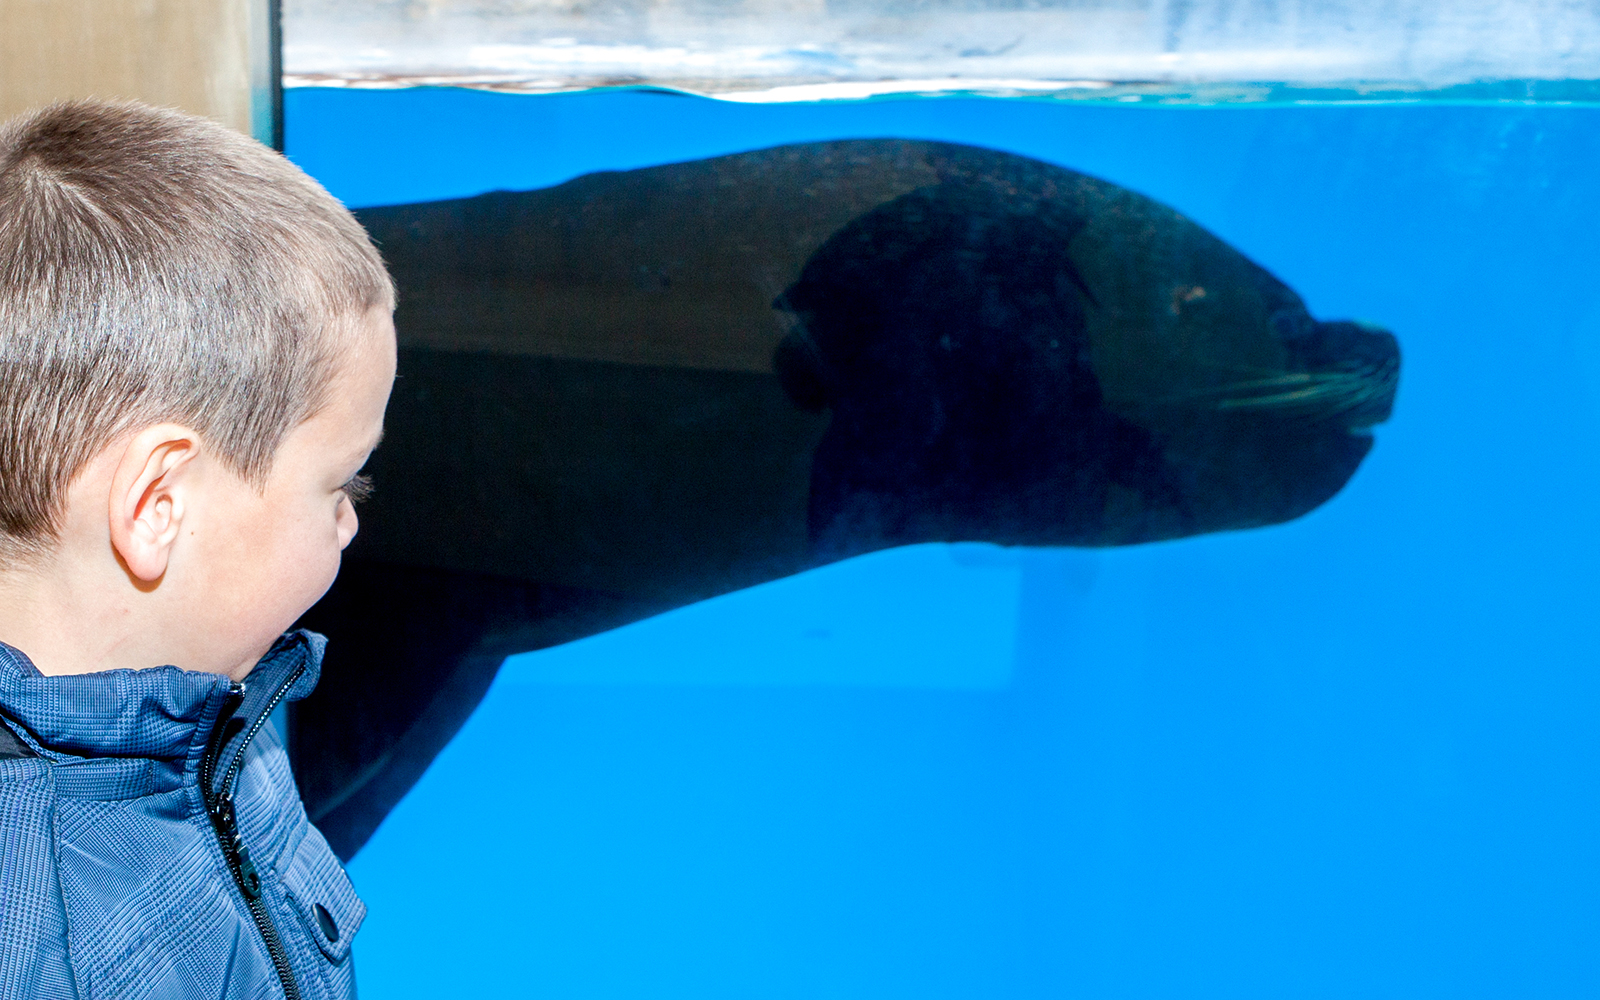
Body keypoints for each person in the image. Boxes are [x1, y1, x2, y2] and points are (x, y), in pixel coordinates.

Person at [0, 98, 395, 1000]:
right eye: (343, 484)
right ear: (158, 504)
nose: (351, 523)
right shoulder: (38, 943)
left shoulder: (207, 725)